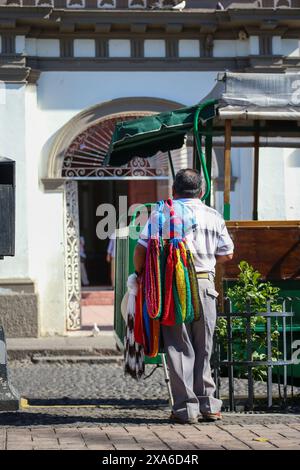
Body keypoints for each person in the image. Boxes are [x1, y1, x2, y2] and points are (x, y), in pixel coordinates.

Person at [133, 169, 234, 424]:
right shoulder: (213, 215)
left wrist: (140, 274)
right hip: (204, 285)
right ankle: (209, 406)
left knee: (178, 347)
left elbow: (140, 251)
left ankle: (186, 410)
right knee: (205, 347)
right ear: (201, 191)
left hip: (172, 289)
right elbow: (227, 254)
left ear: (173, 191)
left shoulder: (162, 213)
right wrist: (207, 259)